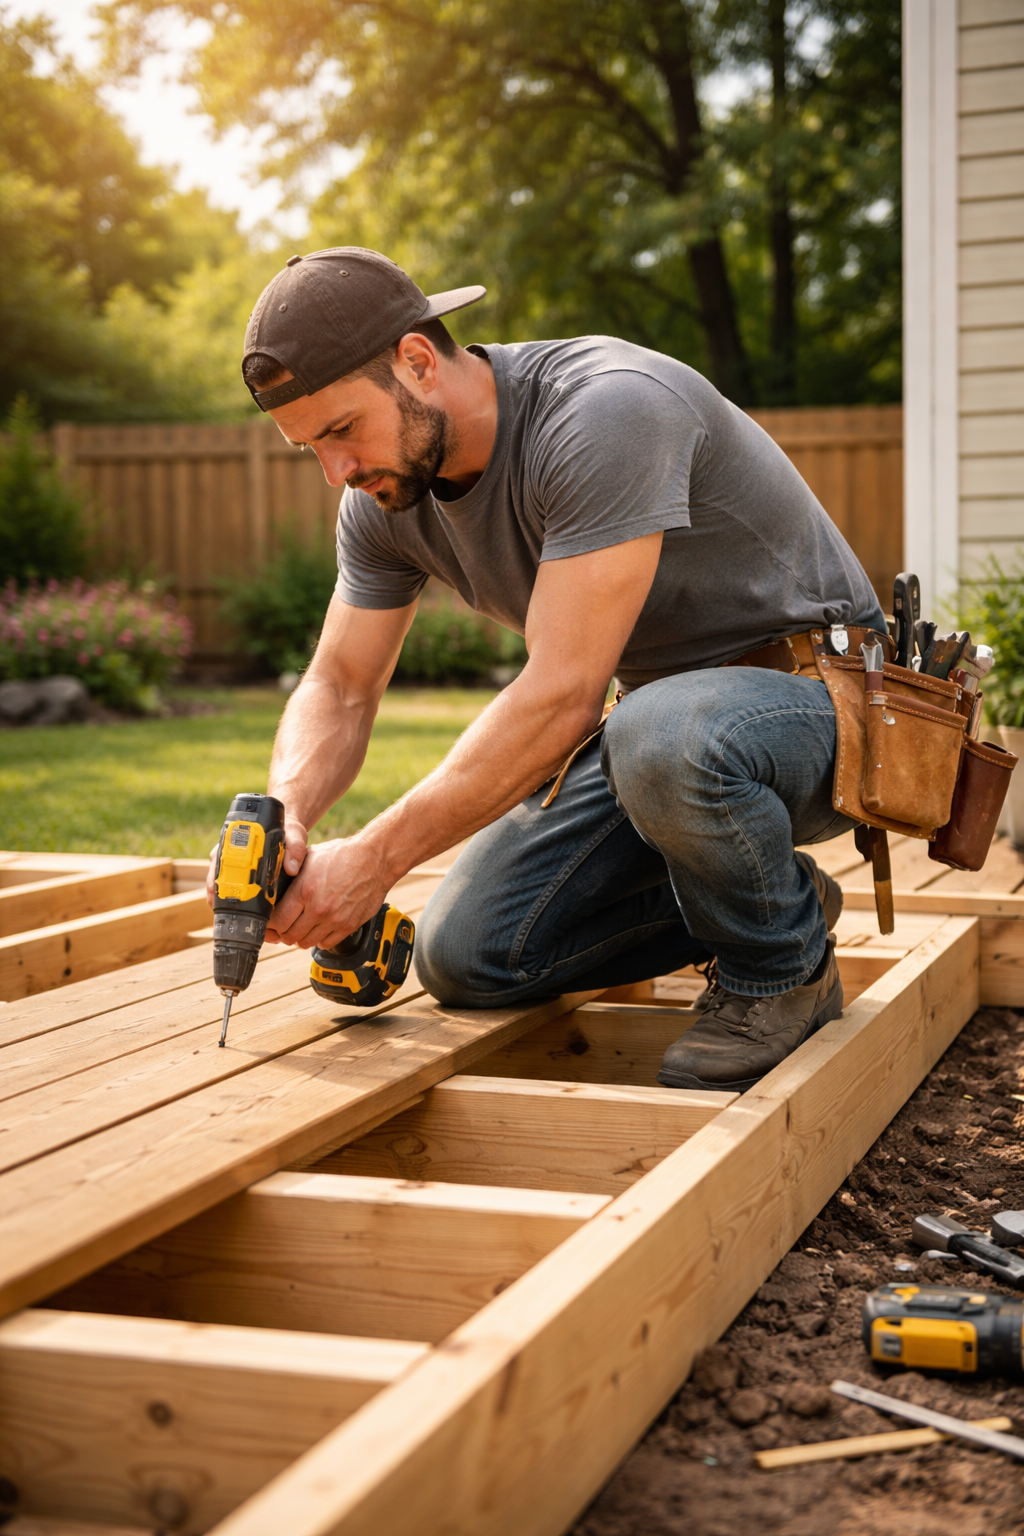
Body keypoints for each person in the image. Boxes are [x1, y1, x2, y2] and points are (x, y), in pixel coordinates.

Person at [227, 245, 886, 1093]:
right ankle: (772, 899)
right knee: (468, 955)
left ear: (418, 361)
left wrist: (375, 859)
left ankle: (779, 972)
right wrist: (288, 816)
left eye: (342, 431)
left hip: (825, 706)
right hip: (670, 742)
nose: (337, 473)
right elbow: (341, 684)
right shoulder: (385, 500)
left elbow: (564, 696)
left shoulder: (605, 411)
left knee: (658, 729)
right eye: (308, 448)